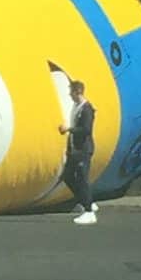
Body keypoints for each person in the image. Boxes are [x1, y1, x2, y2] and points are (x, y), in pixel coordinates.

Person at [59, 80, 99, 225]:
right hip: (74, 150)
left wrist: (69, 129)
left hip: (83, 150)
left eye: (71, 92)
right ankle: (85, 201)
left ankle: (89, 211)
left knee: (82, 178)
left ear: (78, 92)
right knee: (68, 177)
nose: (69, 95)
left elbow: (86, 130)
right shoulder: (76, 107)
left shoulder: (86, 109)